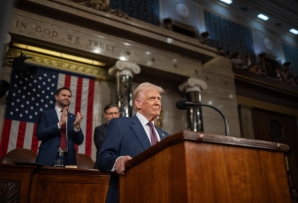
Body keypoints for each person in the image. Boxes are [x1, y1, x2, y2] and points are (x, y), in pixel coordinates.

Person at [97, 82, 170, 203]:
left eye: (159, 99)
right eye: (152, 98)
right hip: (128, 194)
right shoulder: (119, 125)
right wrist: (117, 161)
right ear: (138, 103)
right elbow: (102, 159)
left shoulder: (165, 135)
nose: (158, 102)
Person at [35, 87, 84, 166]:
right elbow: (39, 134)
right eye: (64, 95)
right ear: (56, 97)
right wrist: (60, 124)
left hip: (68, 159)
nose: (67, 98)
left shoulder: (73, 117)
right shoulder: (46, 114)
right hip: (48, 157)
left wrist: (77, 127)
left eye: (69, 96)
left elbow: (79, 141)